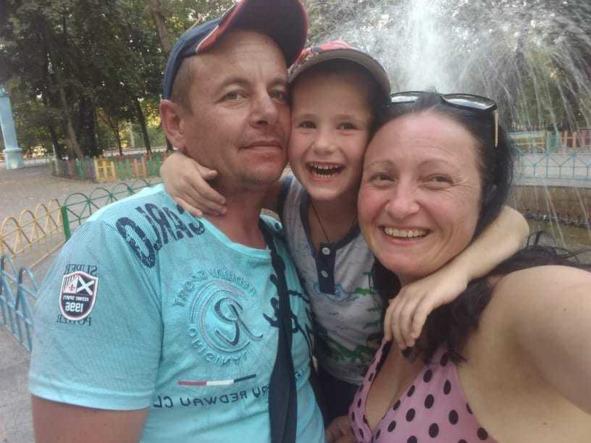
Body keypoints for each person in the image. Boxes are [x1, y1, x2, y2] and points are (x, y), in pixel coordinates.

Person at [159, 43, 530, 421]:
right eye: (306, 124)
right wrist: (178, 162)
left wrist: (454, 274)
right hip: (327, 381)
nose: (323, 144)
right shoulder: (287, 199)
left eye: (347, 126)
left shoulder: (386, 214)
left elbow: (511, 222)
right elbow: (228, 176)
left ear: (376, 136)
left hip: (401, 381)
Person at [28, 1, 326, 442]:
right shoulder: (120, 246)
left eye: (279, 93)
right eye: (235, 94)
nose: (268, 111)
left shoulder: (288, 236)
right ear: (174, 123)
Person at [327, 91, 591, 442]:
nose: (400, 205)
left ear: (487, 197)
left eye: (437, 179)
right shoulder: (404, 303)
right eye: (382, 177)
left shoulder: (515, 304)